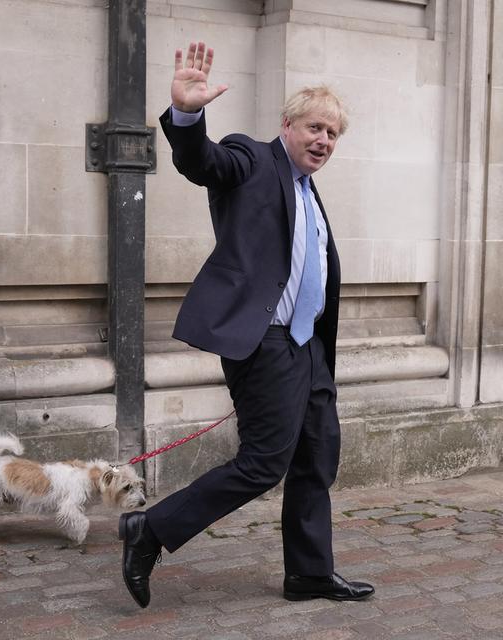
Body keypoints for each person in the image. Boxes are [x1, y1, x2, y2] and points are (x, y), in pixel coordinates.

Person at [118, 41, 375, 608]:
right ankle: (151, 530)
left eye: (333, 135)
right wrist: (187, 113)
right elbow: (202, 160)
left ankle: (309, 572)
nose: (323, 141)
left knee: (317, 457)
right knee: (263, 463)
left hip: (308, 347)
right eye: (314, 128)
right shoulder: (252, 160)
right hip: (266, 341)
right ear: (287, 124)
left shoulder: (310, 193)